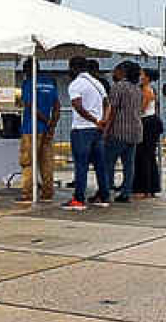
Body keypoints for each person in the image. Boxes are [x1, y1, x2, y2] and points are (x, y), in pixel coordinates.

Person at [64, 56, 108, 211]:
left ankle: (78, 199)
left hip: (82, 129)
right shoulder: (97, 83)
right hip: (97, 130)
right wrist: (103, 120)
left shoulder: (75, 84)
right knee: (99, 165)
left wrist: (94, 120)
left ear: (73, 68)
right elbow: (106, 103)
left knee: (81, 165)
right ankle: (103, 196)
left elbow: (78, 106)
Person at [16, 62, 60, 203]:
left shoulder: (28, 83)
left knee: (28, 161)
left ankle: (27, 194)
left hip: (30, 129)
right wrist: (52, 125)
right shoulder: (50, 83)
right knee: (46, 162)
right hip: (47, 131)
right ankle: (47, 193)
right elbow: (57, 106)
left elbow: (30, 106)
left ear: (28, 70)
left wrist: (45, 121)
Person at [103, 61, 143, 204]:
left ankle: (105, 190)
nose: (113, 73)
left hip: (119, 131)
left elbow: (112, 111)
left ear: (123, 72)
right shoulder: (137, 89)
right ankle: (126, 192)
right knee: (128, 164)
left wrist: (106, 130)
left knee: (108, 162)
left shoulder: (118, 87)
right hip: (135, 131)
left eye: (116, 70)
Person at [133, 68, 163, 199]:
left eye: (142, 75)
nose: (140, 77)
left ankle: (145, 188)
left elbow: (141, 110)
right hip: (152, 122)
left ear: (147, 77)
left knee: (144, 156)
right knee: (148, 156)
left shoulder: (146, 91)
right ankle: (150, 187)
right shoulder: (151, 90)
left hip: (147, 123)